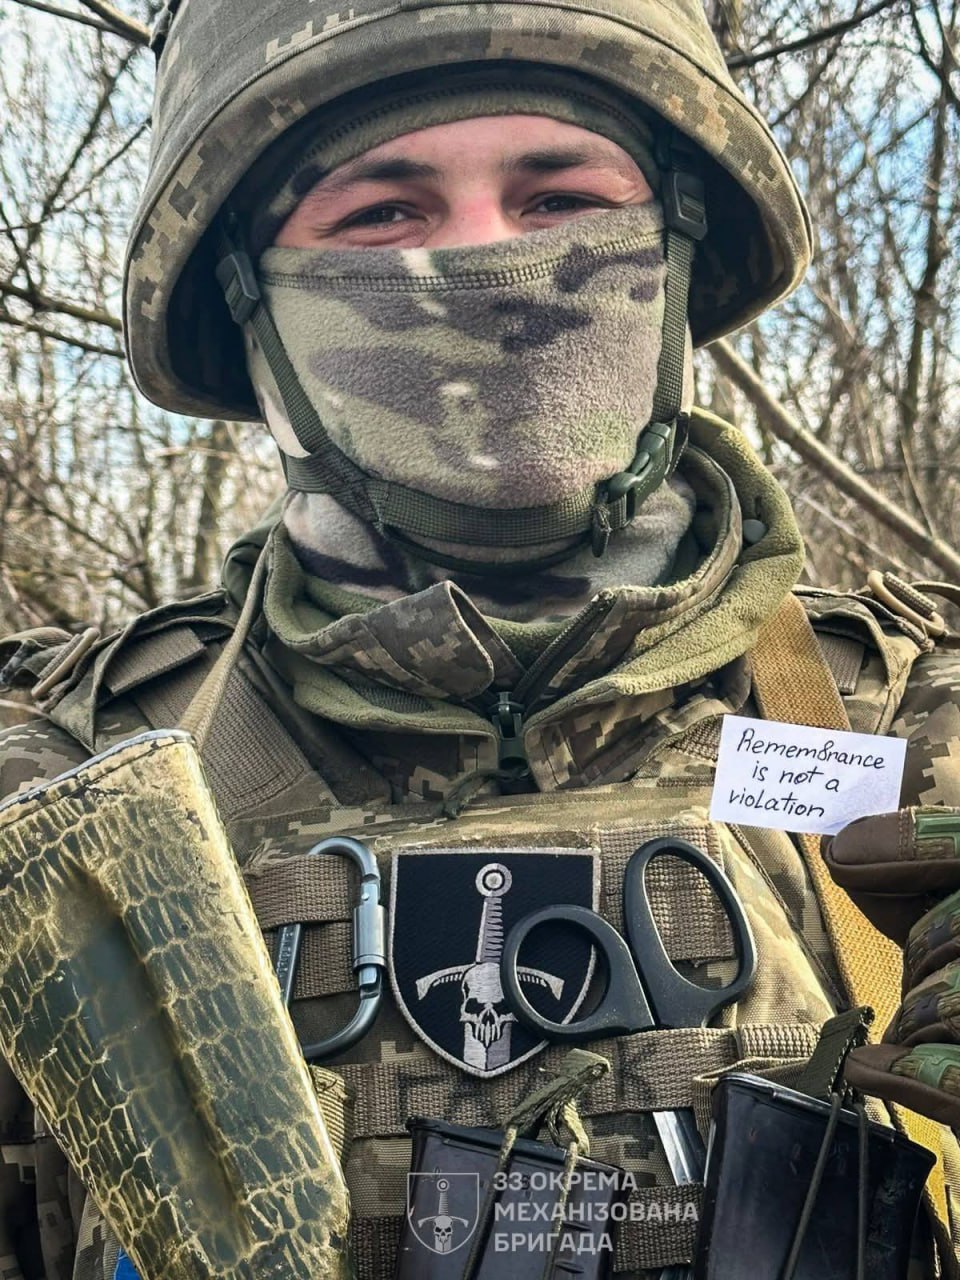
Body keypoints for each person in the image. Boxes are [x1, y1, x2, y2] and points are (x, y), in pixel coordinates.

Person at [0, 0, 959, 1275]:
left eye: (560, 198)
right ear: (245, 299)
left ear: (675, 244)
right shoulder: (57, 794)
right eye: (382, 213)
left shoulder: (919, 723)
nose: (487, 263)